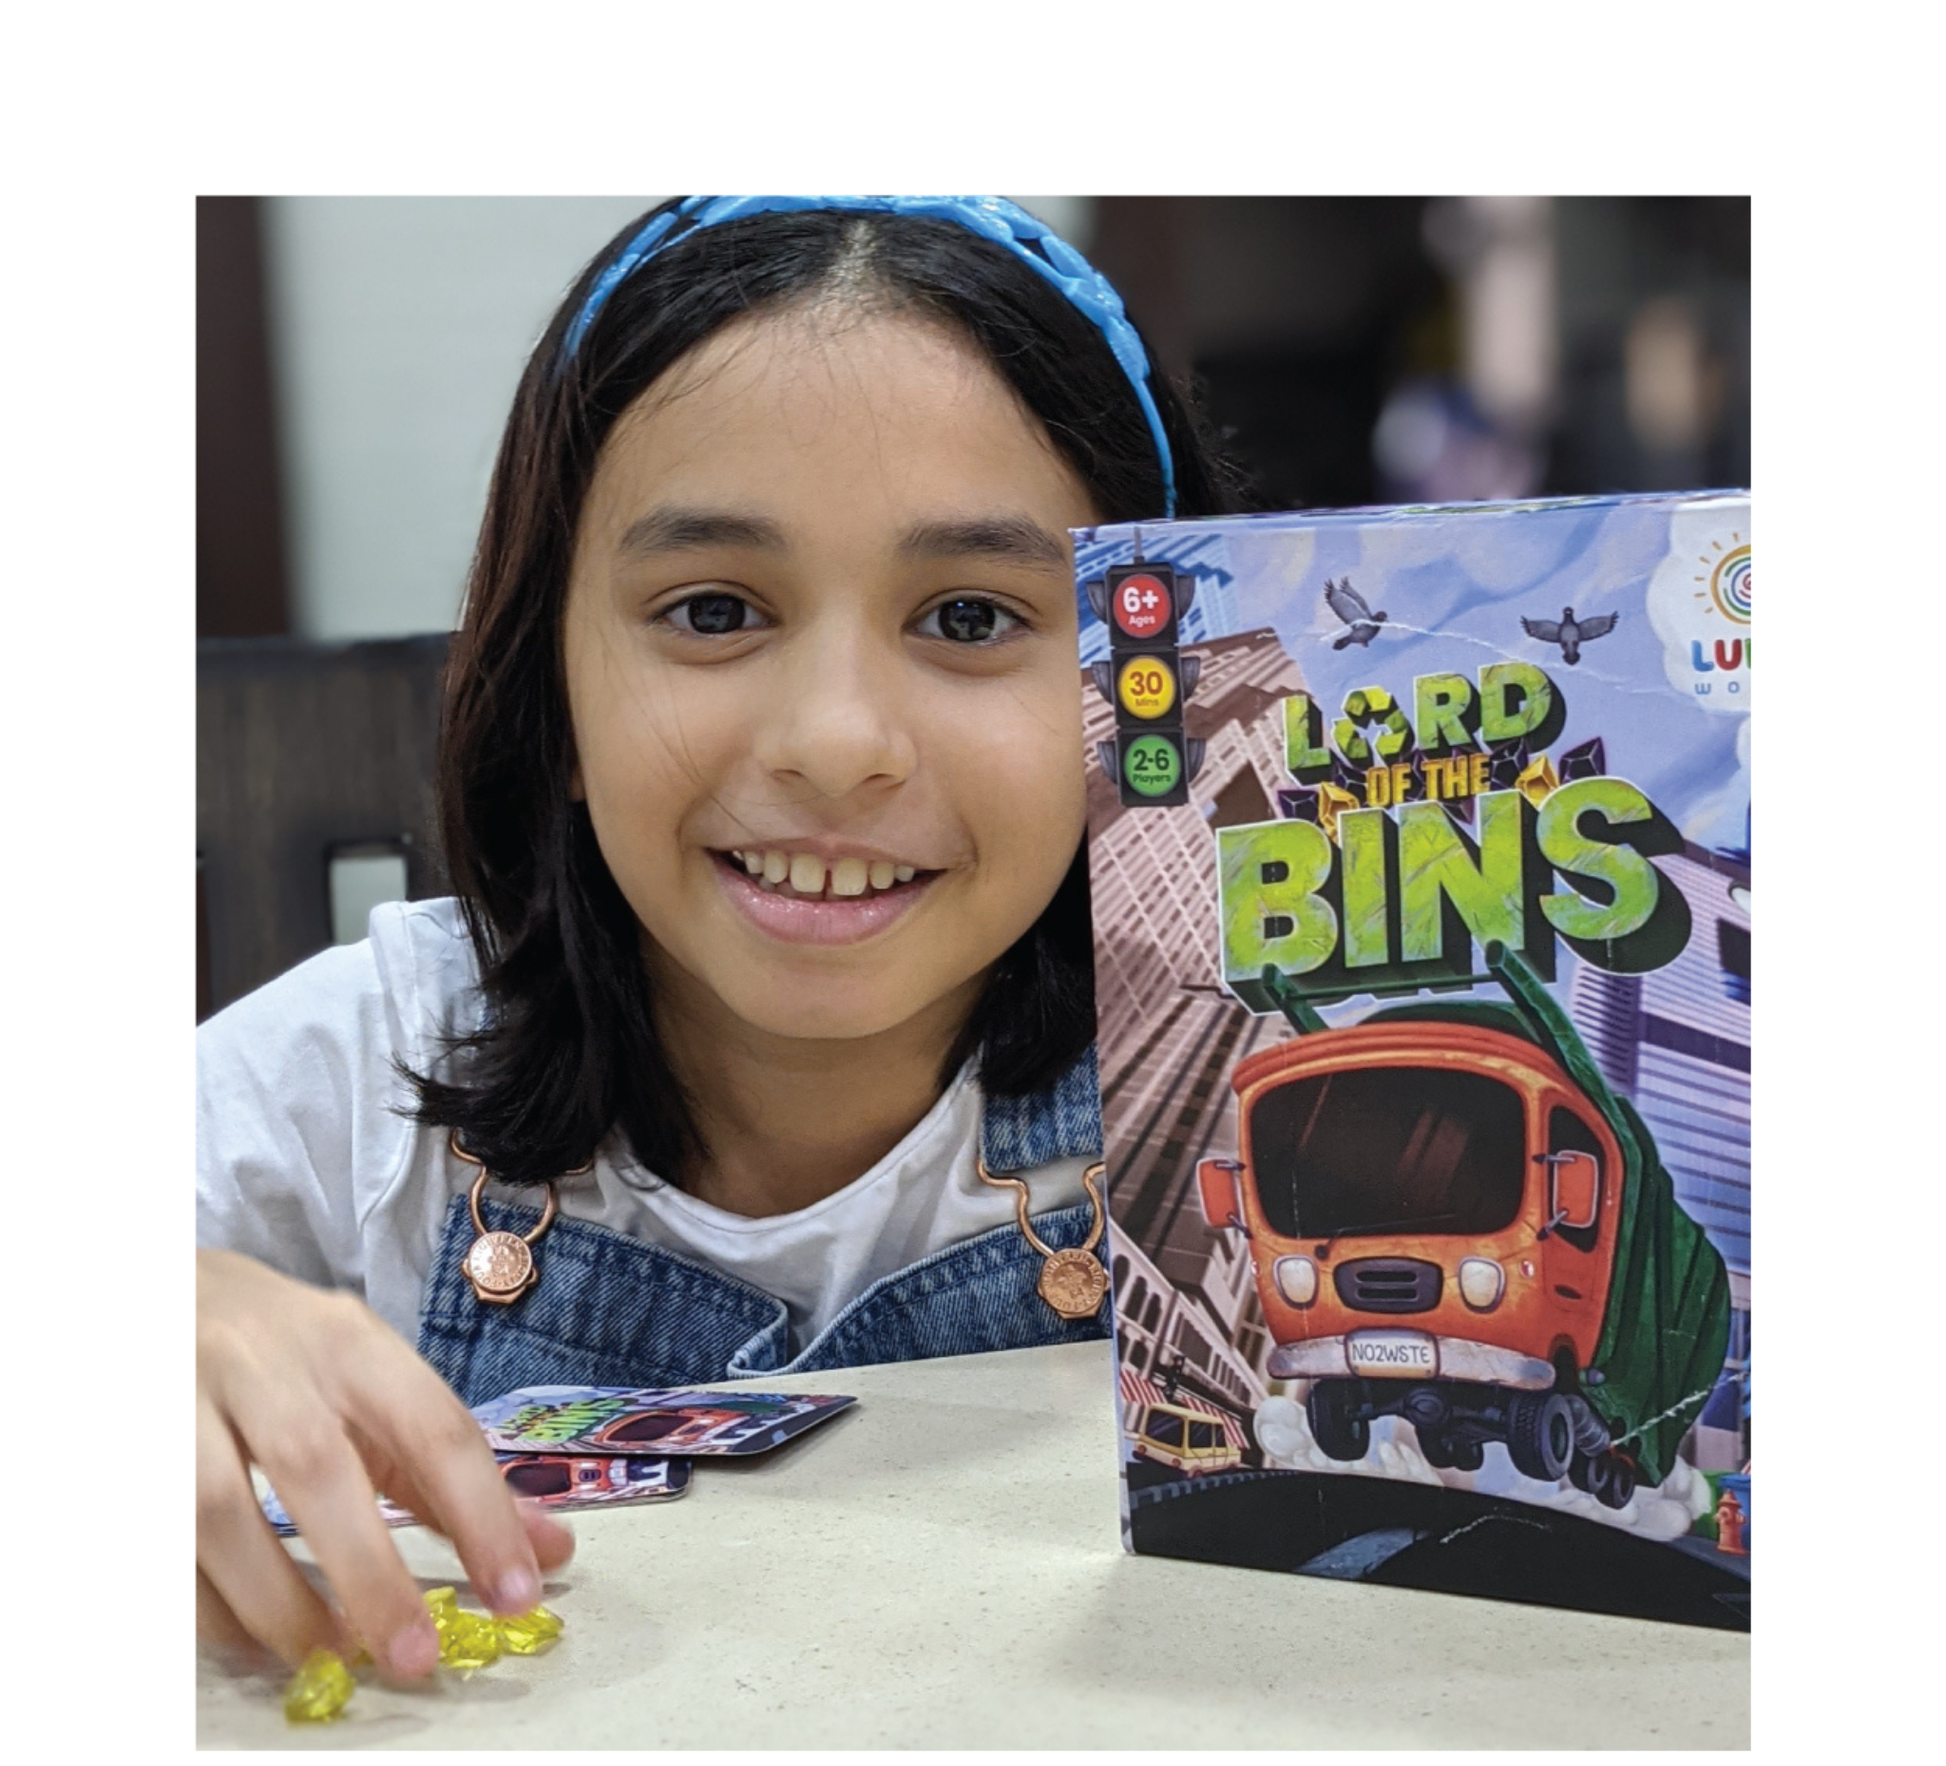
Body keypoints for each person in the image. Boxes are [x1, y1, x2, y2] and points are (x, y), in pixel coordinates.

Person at [196, 195, 1245, 1679]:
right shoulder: (354, 1082)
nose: (836, 742)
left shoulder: (1260, 1081)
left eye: (963, 617)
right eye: (710, 608)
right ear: (547, 686)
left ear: (1143, 693)